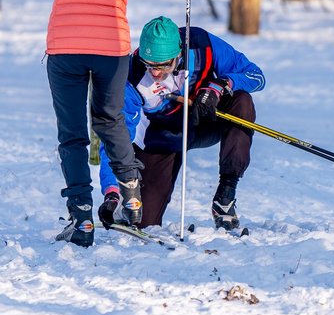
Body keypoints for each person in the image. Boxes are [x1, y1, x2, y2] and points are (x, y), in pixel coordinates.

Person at [0, 0, 205, 247]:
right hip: (111, 48)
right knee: (110, 120)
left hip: (65, 48)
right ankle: (132, 189)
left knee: (71, 134)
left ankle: (82, 219)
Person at [97, 16, 266, 231]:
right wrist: (112, 192)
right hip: (163, 137)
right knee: (143, 222)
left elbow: (256, 76)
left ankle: (226, 194)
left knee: (242, 101)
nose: (156, 73)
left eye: (164, 65)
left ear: (178, 54)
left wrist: (220, 85)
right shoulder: (131, 75)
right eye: (150, 66)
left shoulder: (202, 45)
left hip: (205, 121)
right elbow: (116, 137)